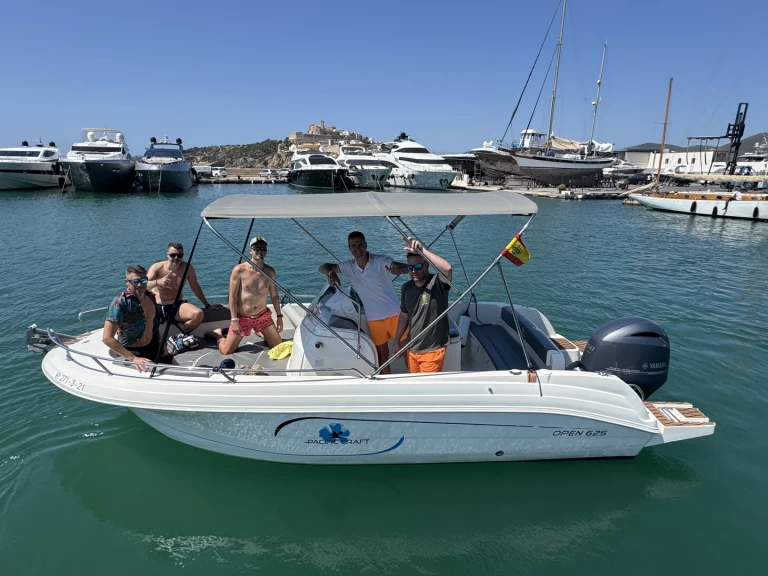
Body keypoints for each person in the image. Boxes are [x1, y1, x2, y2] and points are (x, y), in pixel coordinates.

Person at [318, 231, 408, 374]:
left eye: (360, 244)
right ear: (349, 248)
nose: (358, 248)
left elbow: (398, 266)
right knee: (382, 357)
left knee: (406, 352)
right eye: (354, 245)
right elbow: (323, 267)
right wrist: (331, 273)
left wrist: (400, 268)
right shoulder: (348, 267)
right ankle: (386, 387)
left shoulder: (380, 260)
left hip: (394, 315)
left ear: (366, 245)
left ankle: (415, 381)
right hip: (373, 319)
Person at [208, 237, 283, 354]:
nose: (260, 251)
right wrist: (234, 320)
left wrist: (279, 317)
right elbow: (232, 297)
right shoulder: (239, 270)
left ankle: (261, 331)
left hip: (262, 316)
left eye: (263, 249)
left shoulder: (270, 272)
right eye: (256, 248)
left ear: (266, 252)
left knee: (279, 348)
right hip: (242, 317)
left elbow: (274, 296)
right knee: (226, 351)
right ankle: (218, 335)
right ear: (250, 251)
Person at [392, 237, 452, 373]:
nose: (414, 271)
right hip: (411, 347)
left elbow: (447, 269)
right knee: (415, 386)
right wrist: (397, 340)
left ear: (427, 264)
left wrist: (422, 251)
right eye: (410, 267)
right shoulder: (406, 287)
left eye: (418, 266)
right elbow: (404, 316)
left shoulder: (437, 283)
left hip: (432, 350)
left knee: (427, 390)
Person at [103, 265, 175, 372]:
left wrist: (161, 343)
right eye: (136, 281)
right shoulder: (120, 303)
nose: (140, 284)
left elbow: (153, 324)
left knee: (186, 373)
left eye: (143, 280)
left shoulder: (151, 297)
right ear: (127, 282)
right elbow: (107, 338)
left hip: (154, 346)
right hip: (133, 351)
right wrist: (133, 358)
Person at [147, 242, 217, 334]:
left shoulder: (187, 268)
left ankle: (181, 336)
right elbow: (144, 284)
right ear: (167, 255)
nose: (176, 258)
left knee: (198, 314)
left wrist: (207, 305)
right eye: (173, 255)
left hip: (176, 305)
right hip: (158, 306)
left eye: (179, 255)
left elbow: (195, 287)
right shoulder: (157, 267)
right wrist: (158, 282)